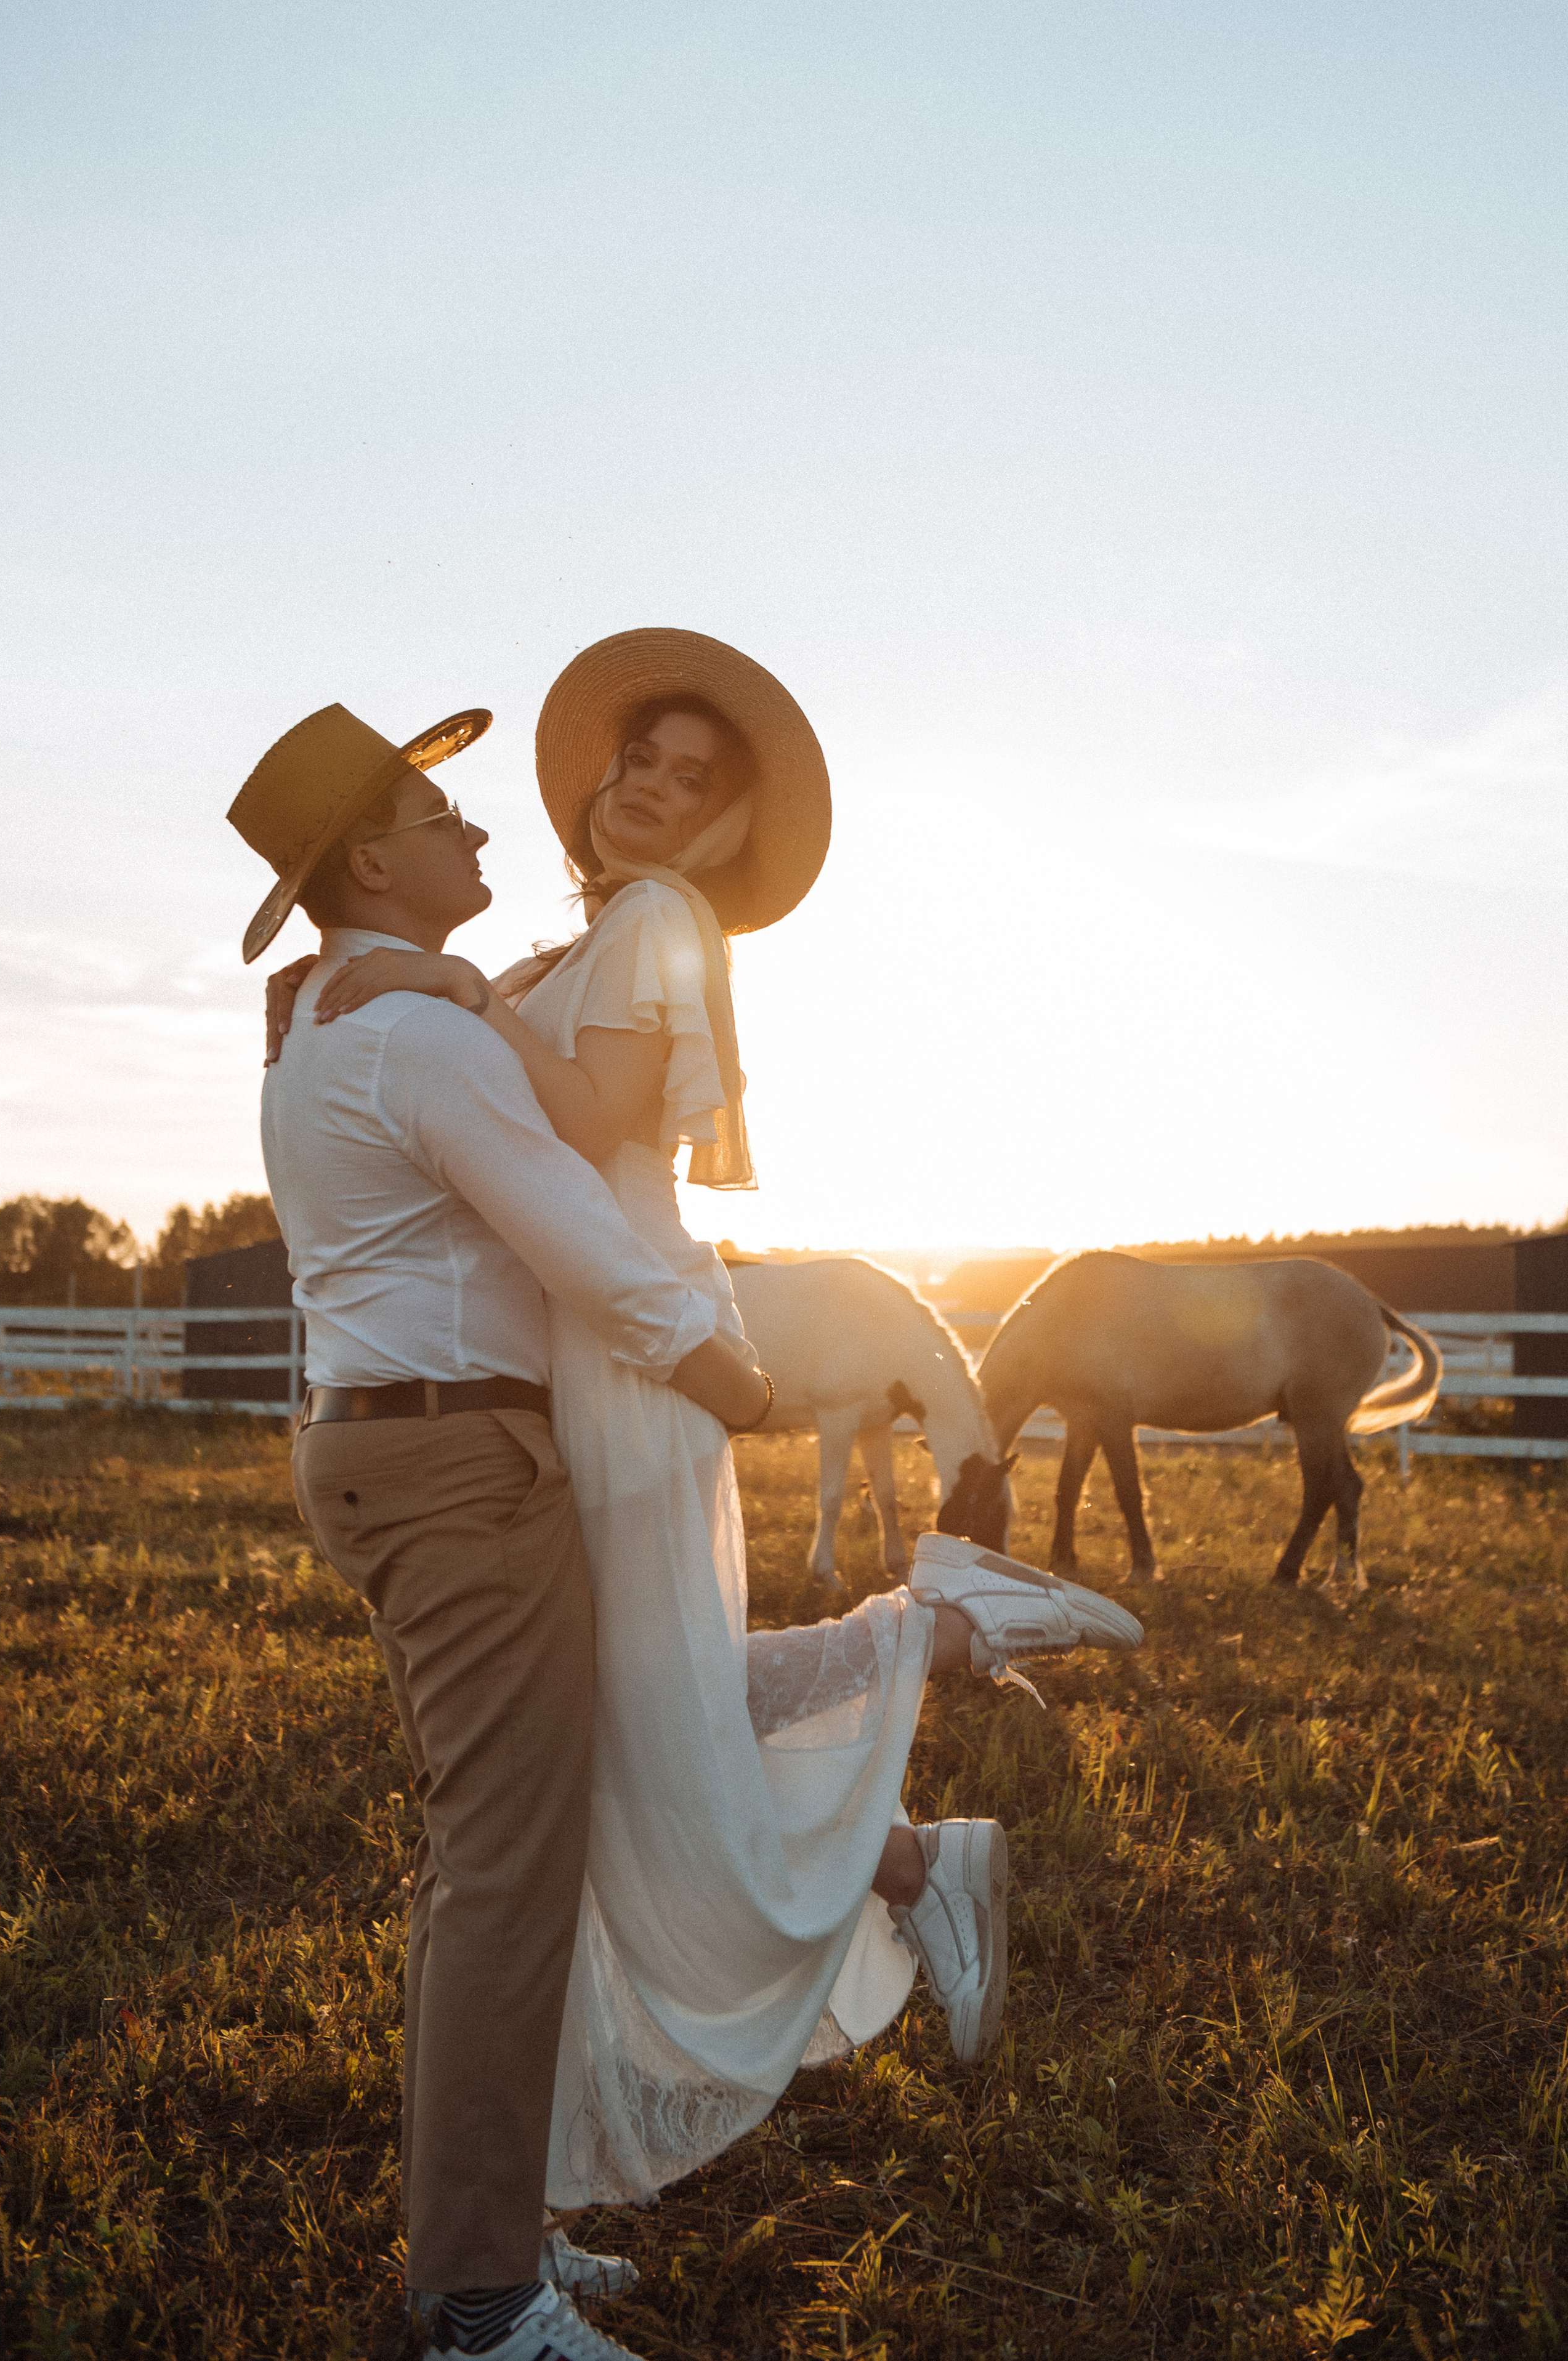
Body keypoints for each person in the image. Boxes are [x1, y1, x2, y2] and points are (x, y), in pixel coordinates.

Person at [264, 632, 1142, 2288]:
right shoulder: (581, 934)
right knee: (627, 1701)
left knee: (630, 1713)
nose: (651, 792)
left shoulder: (658, 924)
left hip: (629, 1342)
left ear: (736, 836)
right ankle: (922, 1727)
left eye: (696, 780)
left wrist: (449, 986)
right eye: (640, 763)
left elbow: (595, 1130)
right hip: (590, 1352)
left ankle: (911, 1768)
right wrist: (398, 988)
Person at [234, 696, 769, 2361]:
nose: (479, 833)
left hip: (398, 1447)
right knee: (508, 1878)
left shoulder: (356, 1016)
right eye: (438, 815)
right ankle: (479, 2302)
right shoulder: (417, 1035)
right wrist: (717, 1364)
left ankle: (486, 2231)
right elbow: (563, 1222)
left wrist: (474, 980)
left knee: (491, 1862)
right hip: (460, 1462)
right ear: (377, 859)